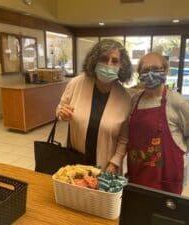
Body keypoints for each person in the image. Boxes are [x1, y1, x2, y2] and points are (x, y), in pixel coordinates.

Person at [127, 52, 189, 194]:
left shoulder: (178, 102)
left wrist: (179, 150)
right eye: (145, 70)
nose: (150, 74)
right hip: (138, 171)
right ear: (139, 74)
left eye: (156, 69)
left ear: (166, 70)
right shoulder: (135, 100)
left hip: (166, 174)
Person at [56, 39, 132, 174]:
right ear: (94, 60)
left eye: (114, 61)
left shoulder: (125, 98)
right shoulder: (76, 83)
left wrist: (115, 163)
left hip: (107, 166)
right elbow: (60, 109)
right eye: (104, 59)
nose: (109, 64)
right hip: (76, 159)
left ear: (121, 66)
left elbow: (124, 138)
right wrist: (61, 113)